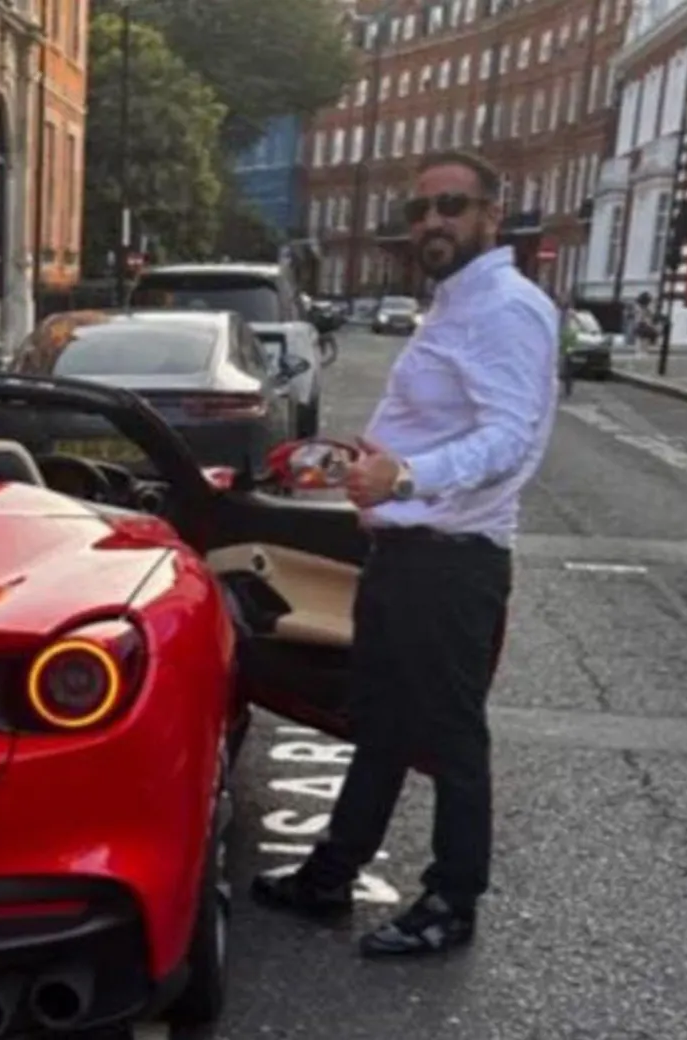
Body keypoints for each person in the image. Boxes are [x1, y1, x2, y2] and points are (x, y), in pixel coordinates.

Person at [251, 149, 560, 958]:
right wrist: (360, 470)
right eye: (421, 210)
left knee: (451, 736)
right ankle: (330, 876)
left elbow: (509, 437)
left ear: (494, 212)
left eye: (453, 206)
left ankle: (452, 902)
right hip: (410, 550)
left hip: (452, 562)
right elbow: (446, 423)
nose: (433, 222)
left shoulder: (505, 308)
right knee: (380, 723)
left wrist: (408, 476)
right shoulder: (457, 306)